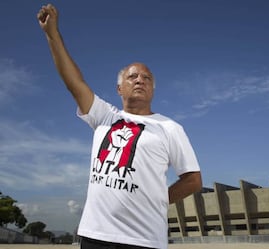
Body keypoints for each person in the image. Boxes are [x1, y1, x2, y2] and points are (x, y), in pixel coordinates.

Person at [37, 4, 202, 249]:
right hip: (95, 236)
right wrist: (52, 34)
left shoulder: (170, 128)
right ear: (119, 88)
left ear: (153, 89)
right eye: (133, 76)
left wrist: (156, 200)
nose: (140, 80)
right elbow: (74, 82)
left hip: (143, 240)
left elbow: (193, 180)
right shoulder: (105, 116)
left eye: (147, 78)